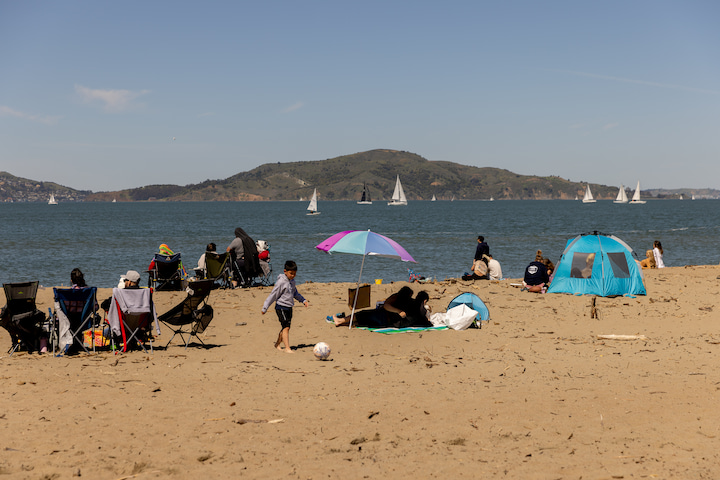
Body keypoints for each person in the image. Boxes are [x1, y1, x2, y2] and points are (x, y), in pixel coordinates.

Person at [261, 260, 309, 353]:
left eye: (294, 274)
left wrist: (303, 300)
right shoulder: (281, 282)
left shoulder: (292, 282)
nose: (293, 275)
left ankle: (277, 344)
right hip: (281, 307)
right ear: (285, 271)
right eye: (291, 273)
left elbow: (295, 293)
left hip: (289, 307)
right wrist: (265, 307)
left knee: (285, 327)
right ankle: (287, 348)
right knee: (286, 327)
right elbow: (273, 295)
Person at [335, 287, 427, 328]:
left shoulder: (402, 299)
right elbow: (386, 306)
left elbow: (386, 305)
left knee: (362, 316)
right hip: (386, 319)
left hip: (385, 318)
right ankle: (342, 322)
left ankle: (341, 321)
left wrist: (398, 311)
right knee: (363, 318)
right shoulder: (398, 297)